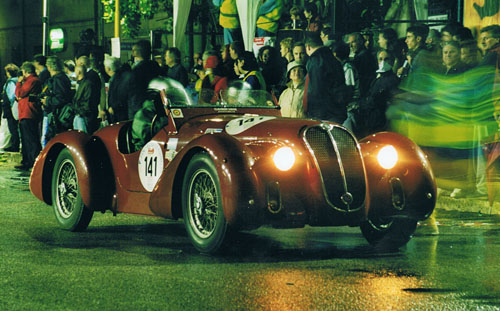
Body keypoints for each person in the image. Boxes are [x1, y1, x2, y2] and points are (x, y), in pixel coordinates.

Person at [303, 32, 347, 123]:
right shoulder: (333, 59)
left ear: (308, 47)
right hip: (336, 111)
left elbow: (316, 89)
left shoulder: (315, 61)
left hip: (322, 114)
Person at [15, 62, 42, 170]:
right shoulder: (32, 80)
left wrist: (18, 83)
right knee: (26, 139)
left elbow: (20, 93)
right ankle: (27, 161)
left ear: (25, 71)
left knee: (31, 139)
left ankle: (34, 162)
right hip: (25, 113)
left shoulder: (31, 80)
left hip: (28, 113)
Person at [41, 56, 74, 142]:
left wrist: (47, 101)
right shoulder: (63, 78)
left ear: (50, 67)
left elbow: (61, 98)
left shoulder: (57, 80)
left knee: (52, 139)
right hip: (61, 116)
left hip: (58, 116)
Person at [129, 39, 163, 119]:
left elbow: (134, 89)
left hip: (139, 106)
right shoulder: (155, 65)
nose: (132, 53)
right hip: (155, 104)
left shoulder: (137, 69)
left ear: (138, 52)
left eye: (133, 50)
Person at [104, 56, 133, 123]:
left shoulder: (119, 79)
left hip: (119, 115)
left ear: (108, 68)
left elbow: (123, 96)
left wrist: (114, 107)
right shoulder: (117, 78)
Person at [348, 32, 377, 98]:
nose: (350, 46)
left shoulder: (363, 56)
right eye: (349, 43)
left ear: (360, 42)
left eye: (353, 42)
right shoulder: (361, 55)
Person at [71, 65, 92, 133]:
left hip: (81, 115)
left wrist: (80, 112)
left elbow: (87, 101)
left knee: (82, 137)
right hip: (79, 114)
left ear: (79, 71)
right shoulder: (83, 83)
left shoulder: (86, 84)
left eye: (75, 70)